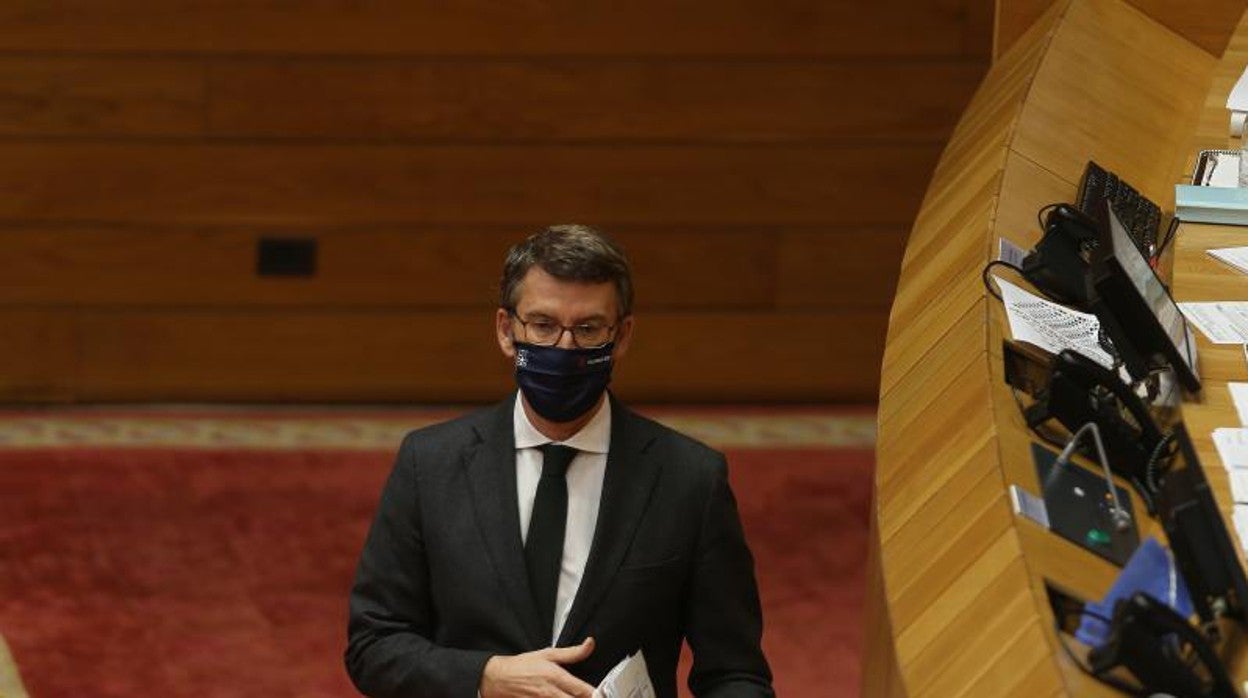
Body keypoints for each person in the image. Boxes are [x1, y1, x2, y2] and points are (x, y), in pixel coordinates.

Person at [345, 225, 773, 698]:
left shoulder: (689, 480)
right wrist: (487, 678)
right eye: (543, 325)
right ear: (507, 331)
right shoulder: (430, 464)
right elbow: (374, 644)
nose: (564, 348)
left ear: (622, 336)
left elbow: (736, 674)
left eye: (588, 329)